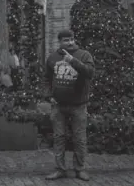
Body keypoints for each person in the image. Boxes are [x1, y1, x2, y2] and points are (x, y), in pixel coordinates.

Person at [43, 29, 95, 182]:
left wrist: (73, 61)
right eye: (66, 40)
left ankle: (80, 169)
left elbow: (90, 73)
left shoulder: (84, 55)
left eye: (72, 39)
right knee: (59, 137)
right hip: (58, 106)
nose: (70, 42)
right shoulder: (52, 58)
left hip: (78, 105)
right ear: (60, 42)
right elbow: (46, 79)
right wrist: (48, 96)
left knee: (79, 138)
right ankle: (60, 169)